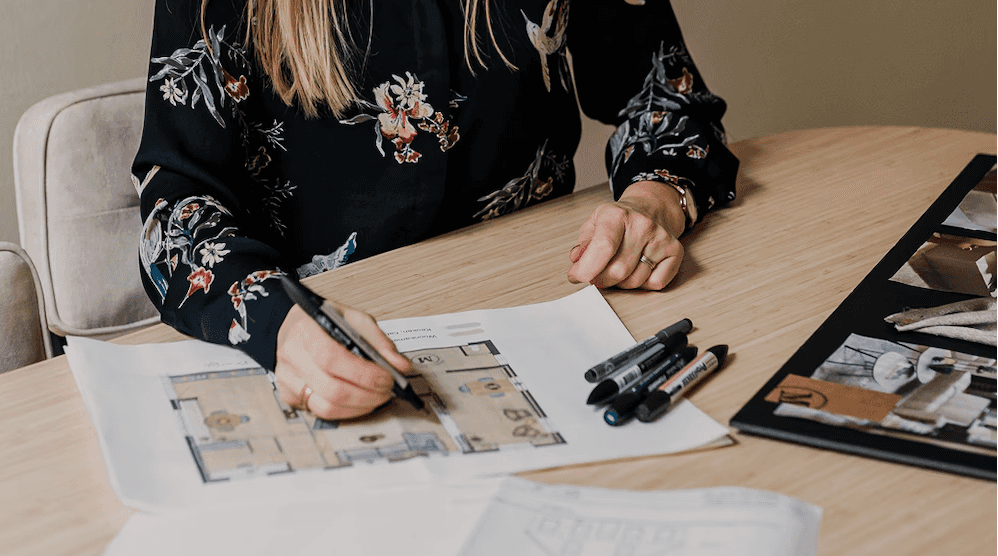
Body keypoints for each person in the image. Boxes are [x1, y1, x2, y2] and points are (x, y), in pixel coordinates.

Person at [133, 0, 738, 420]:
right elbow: (176, 205)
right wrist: (278, 324)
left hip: (562, 322)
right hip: (334, 353)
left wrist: (654, 199)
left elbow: (664, 91)